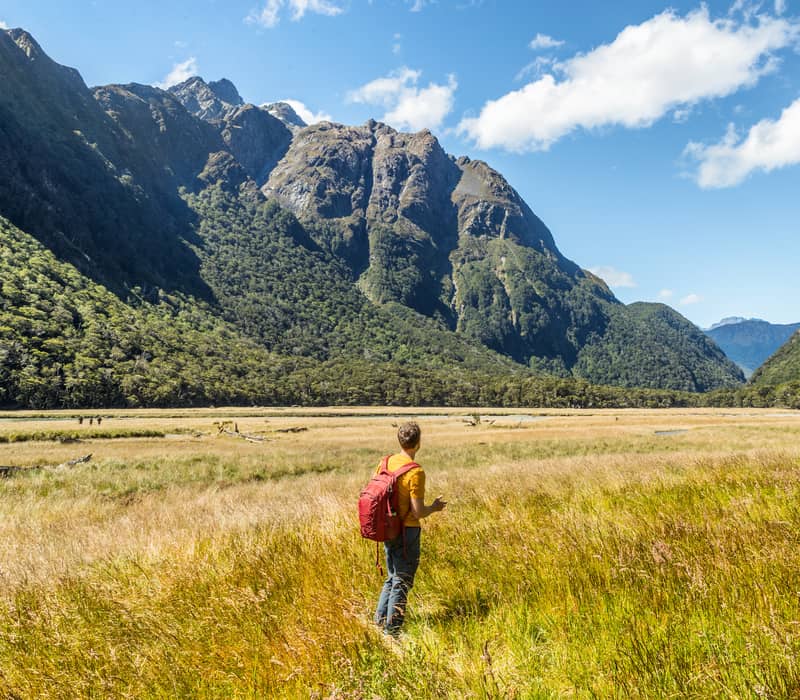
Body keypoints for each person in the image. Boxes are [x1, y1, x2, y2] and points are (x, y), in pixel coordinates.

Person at [374, 421, 446, 637]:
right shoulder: (416, 472)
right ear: (418, 443)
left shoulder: (385, 462)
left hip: (387, 527)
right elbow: (417, 512)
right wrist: (434, 507)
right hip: (407, 532)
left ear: (400, 440)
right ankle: (392, 632)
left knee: (392, 576)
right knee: (402, 580)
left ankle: (379, 623)